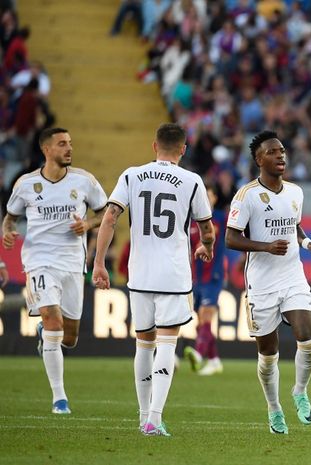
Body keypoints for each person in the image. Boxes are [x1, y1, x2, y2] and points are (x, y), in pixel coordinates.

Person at [92, 123, 214, 436]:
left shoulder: (131, 175)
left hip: (140, 273)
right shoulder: (192, 181)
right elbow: (207, 228)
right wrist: (206, 246)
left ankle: (143, 415)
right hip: (172, 274)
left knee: (144, 344)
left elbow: (109, 218)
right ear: (183, 149)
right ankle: (154, 419)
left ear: (153, 145)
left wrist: (98, 264)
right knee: (167, 343)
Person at [225, 130, 311, 435]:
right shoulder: (247, 196)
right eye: (272, 152)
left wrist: (309, 245)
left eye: (282, 150)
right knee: (268, 355)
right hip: (261, 285)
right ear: (259, 159)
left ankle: (299, 391)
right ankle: (274, 408)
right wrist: (265, 247)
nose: (280, 155)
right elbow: (231, 238)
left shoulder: (296, 192)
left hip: (292, 277)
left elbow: (295, 227)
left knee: (307, 337)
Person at [2, 127, 107, 414]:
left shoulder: (84, 181)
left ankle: (42, 333)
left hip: (73, 263)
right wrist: (7, 232)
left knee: (69, 339)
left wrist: (87, 225)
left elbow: (107, 212)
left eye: (70, 143)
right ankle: (59, 399)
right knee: (54, 322)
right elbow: (9, 218)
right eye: (62, 144)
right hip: (39, 260)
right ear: (46, 150)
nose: (69, 148)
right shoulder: (26, 184)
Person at [184, 185, 227, 376]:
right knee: (201, 322)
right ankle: (215, 360)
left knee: (206, 314)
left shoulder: (220, 219)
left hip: (214, 276)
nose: (205, 198)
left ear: (215, 198)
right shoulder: (191, 221)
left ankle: (199, 354)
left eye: (208, 194)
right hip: (196, 279)